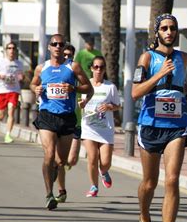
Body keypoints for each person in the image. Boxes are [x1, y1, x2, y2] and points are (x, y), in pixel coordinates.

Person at [131, 13, 187, 222]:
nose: (169, 32)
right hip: (150, 124)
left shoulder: (183, 58)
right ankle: (144, 217)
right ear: (157, 32)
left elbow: (182, 83)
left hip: (176, 126)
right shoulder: (147, 58)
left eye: (173, 28)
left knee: (171, 179)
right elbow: (135, 93)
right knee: (150, 183)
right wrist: (158, 75)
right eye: (165, 28)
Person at [30, 34, 93, 210]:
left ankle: (55, 182)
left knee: (60, 161)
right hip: (47, 115)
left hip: (66, 117)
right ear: (49, 47)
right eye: (54, 44)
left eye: (60, 44)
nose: (57, 46)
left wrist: (75, 88)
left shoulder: (73, 67)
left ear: (64, 48)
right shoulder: (41, 68)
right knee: (49, 154)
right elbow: (33, 84)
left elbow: (89, 88)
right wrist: (36, 88)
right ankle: (49, 194)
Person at [81, 56, 121, 197]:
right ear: (91, 68)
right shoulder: (85, 86)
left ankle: (103, 171)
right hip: (89, 128)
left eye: (101, 67)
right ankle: (93, 186)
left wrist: (109, 106)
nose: (98, 70)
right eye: (96, 67)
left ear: (104, 69)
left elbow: (118, 106)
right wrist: (81, 104)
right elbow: (79, 102)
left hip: (105, 129)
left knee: (105, 162)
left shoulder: (110, 87)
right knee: (92, 157)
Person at [53, 44, 80, 204]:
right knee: (58, 160)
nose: (67, 56)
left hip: (74, 118)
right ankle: (61, 190)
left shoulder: (75, 70)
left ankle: (62, 166)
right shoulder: (53, 69)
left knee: (72, 160)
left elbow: (88, 88)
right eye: (65, 54)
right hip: (56, 119)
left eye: (70, 54)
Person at [0, 42, 25, 143]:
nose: (11, 50)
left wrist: (21, 77)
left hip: (13, 90)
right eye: (9, 48)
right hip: (2, 90)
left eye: (13, 48)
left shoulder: (19, 64)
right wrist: (0, 76)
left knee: (11, 111)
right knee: (1, 115)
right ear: (6, 50)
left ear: (15, 51)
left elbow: (21, 76)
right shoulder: (0, 62)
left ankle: (8, 135)